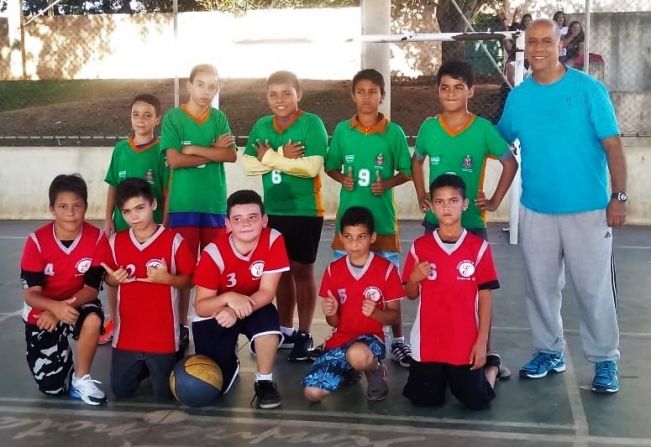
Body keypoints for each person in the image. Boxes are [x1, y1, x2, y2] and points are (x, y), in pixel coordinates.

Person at [498, 19, 626, 393]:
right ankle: (548, 351)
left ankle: (605, 359)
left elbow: (614, 147)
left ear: (560, 46)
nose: (537, 48)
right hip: (536, 210)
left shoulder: (589, 90)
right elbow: (497, 140)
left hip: (588, 210)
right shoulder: (519, 97)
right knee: (540, 287)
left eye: (545, 42)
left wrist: (618, 197)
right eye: (531, 42)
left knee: (593, 288)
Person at [325, 68, 413, 368]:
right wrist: (341, 178)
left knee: (391, 289)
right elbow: (330, 166)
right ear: (353, 95)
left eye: (372, 91)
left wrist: (387, 183)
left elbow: (407, 170)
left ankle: (399, 341)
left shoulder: (394, 133)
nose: (366, 97)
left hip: (383, 223)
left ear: (382, 95)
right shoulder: (342, 131)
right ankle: (343, 340)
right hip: (348, 227)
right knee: (345, 286)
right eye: (360, 91)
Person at [243, 71, 328, 361]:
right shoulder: (261, 125)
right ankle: (284, 329)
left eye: (286, 93)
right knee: (280, 273)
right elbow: (248, 166)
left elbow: (311, 167)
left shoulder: (312, 123)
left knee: (302, 270)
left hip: (305, 210)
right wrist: (281, 153)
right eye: (273, 94)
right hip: (274, 211)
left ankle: (304, 333)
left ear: (298, 94)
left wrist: (268, 157)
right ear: (266, 97)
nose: (280, 100)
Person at [402, 174, 503, 410]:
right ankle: (444, 377)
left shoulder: (479, 248)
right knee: (424, 401)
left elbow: (485, 299)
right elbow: (410, 293)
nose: (446, 207)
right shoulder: (420, 246)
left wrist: (481, 342)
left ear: (464, 204)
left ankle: (492, 366)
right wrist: (414, 279)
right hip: (428, 343)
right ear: (431, 205)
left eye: (453, 201)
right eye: (440, 202)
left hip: (464, 342)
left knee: (477, 402)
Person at [160, 63, 237, 357]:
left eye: (213, 85)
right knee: (184, 272)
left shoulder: (219, 118)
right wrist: (210, 154)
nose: (207, 91)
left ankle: (211, 326)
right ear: (189, 86)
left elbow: (229, 155)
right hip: (183, 206)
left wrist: (193, 150)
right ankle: (180, 327)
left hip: (215, 205)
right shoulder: (174, 118)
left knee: (215, 272)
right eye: (201, 84)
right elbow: (174, 161)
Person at [191, 190, 289, 409]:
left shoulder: (273, 239)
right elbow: (201, 305)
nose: (246, 224)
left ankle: (264, 381)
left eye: (252, 217)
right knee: (217, 383)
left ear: (264, 220)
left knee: (268, 324)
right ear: (228, 224)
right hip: (218, 312)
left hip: (253, 304)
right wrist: (228, 298)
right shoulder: (212, 254)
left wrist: (237, 309)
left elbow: (267, 292)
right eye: (238, 219)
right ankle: (228, 359)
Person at [101, 178, 194, 400]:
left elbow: (190, 280)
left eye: (140, 208)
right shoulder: (116, 242)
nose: (134, 216)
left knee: (164, 394)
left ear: (153, 204)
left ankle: (173, 355)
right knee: (121, 390)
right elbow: (108, 278)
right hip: (127, 335)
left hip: (162, 336)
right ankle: (142, 365)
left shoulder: (173, 241)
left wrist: (167, 279)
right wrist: (114, 279)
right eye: (127, 211)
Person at [20, 174, 107, 405]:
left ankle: (81, 378)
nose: (71, 212)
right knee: (53, 388)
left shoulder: (97, 238)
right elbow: (30, 294)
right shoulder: (36, 241)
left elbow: (91, 289)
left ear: (86, 207)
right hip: (42, 311)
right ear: (52, 209)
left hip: (77, 302)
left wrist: (62, 308)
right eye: (63, 206)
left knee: (93, 319)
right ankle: (61, 363)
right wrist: (53, 308)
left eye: (77, 205)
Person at [303, 206, 404, 402]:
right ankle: (349, 370)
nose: (354, 243)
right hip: (340, 340)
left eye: (361, 237)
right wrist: (330, 311)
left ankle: (374, 369)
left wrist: (375, 313)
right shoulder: (333, 270)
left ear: (372, 237)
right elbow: (333, 322)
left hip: (371, 339)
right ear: (341, 237)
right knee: (312, 393)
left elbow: (395, 316)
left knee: (357, 354)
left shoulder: (386, 270)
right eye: (348, 237)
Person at [412, 60, 518, 240]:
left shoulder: (483, 129)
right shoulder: (429, 128)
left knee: (474, 268)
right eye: (444, 88)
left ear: (470, 91)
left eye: (458, 87)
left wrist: (494, 202)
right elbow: (416, 160)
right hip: (435, 221)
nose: (451, 93)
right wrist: (421, 194)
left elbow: (510, 163)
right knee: (433, 268)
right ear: (438, 90)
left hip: (471, 222)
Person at [100, 93, 168, 346]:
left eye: (148, 115)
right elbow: (112, 187)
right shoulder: (120, 149)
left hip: (153, 228)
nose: (141, 120)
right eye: (136, 114)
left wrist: (166, 222)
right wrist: (108, 218)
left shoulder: (162, 151)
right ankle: (115, 321)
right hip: (122, 228)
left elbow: (166, 190)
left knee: (150, 276)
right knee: (117, 275)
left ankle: (154, 323)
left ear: (157, 119)